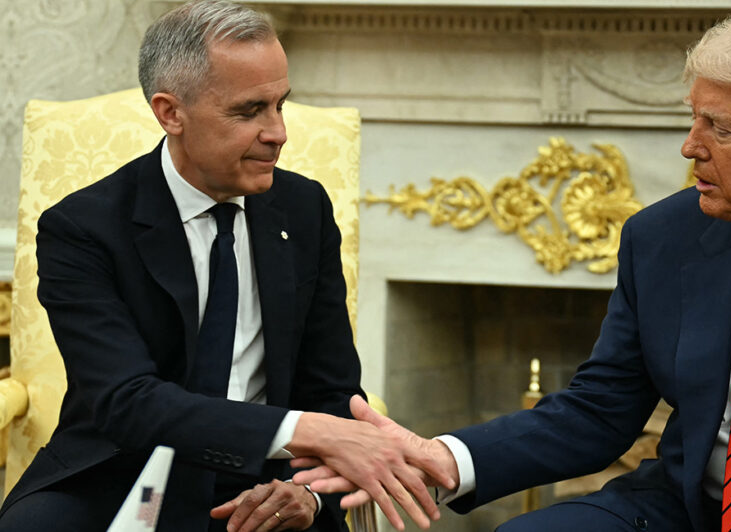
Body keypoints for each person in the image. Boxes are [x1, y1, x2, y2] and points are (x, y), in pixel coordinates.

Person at [295, 13, 731, 532]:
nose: (690, 148)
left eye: (720, 129)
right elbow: (601, 410)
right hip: (697, 508)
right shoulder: (663, 236)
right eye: (693, 120)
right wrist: (447, 458)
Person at [0, 1, 450, 531]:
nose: (279, 132)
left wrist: (307, 491)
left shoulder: (304, 210)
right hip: (126, 469)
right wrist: (309, 431)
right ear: (171, 113)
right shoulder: (84, 226)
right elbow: (127, 402)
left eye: (281, 104)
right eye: (249, 110)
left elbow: (332, 389)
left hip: (268, 480)